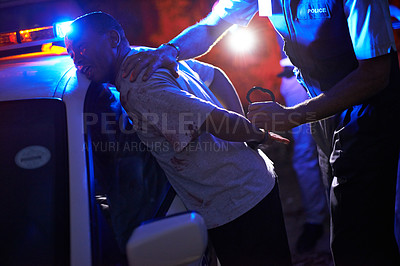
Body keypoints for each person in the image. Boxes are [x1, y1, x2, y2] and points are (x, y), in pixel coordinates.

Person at [121, 1, 400, 265]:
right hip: (324, 108)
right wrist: (169, 50)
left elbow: (375, 75)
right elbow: (212, 26)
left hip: (368, 107)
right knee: (350, 223)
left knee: (358, 238)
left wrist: (292, 116)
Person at [65, 12, 292, 265]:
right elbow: (215, 76)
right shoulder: (148, 56)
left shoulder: (137, 86)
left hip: (236, 203)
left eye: (82, 49)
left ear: (113, 38)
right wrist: (246, 138)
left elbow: (215, 120)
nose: (77, 60)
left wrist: (255, 134)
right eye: (71, 54)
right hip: (252, 181)